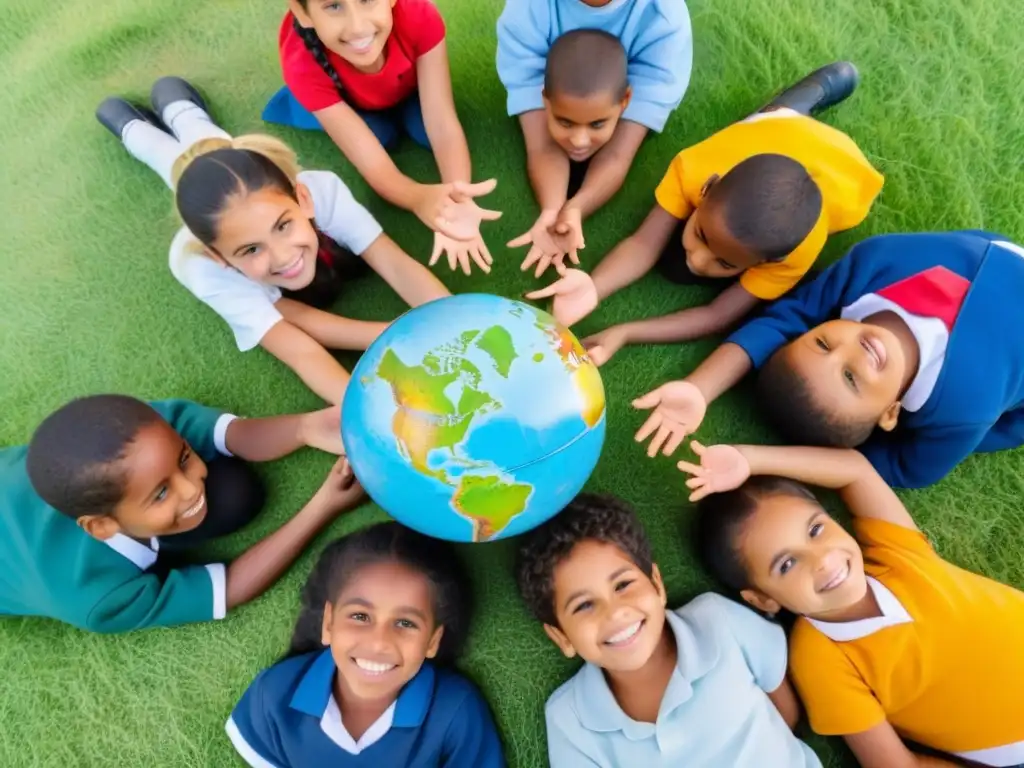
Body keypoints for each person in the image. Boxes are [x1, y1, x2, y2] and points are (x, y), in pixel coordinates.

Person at [96, 76, 451, 404]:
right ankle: (133, 128)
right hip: (209, 215)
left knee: (207, 143)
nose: (282, 257)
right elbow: (298, 345)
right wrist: (391, 352)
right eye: (250, 249)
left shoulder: (321, 189)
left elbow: (393, 261)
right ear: (218, 255)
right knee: (169, 161)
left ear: (303, 200)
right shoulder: (202, 268)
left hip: (235, 184)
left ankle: (179, 108)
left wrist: (460, 322)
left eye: (283, 226)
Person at [681, 439, 1024, 767]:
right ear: (764, 599)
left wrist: (749, 459)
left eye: (815, 530)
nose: (822, 560)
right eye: (787, 564)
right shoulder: (821, 658)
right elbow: (893, 764)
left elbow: (856, 471)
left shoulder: (894, 554)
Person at [526, 62, 883, 363]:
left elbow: (717, 315)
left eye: (725, 264)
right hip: (776, 131)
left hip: (840, 171)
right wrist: (594, 286)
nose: (696, 260)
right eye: (699, 234)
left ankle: (820, 91)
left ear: (771, 261)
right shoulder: (697, 166)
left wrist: (626, 332)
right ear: (708, 189)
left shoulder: (796, 253)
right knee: (776, 115)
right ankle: (814, 89)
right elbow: (642, 244)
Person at [633, 230, 1024, 489]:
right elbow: (906, 469)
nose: (849, 350)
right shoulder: (963, 409)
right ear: (891, 414)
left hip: (995, 251)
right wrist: (752, 459)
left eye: (822, 344)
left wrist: (700, 388)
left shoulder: (870, 266)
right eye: (850, 379)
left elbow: (783, 319)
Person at [1, 394, 360, 633]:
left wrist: (305, 428)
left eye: (185, 458)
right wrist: (323, 507)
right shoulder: (95, 599)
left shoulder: (136, 436)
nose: (192, 487)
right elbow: (229, 589)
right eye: (161, 493)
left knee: (236, 493)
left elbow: (229, 433)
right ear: (102, 526)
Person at [515, 493, 820, 767]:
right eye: (583, 605)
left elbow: (783, 705)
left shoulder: (717, 620)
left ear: (656, 584)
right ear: (562, 637)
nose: (615, 612)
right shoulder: (569, 719)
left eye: (623, 585)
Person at [226, 522, 505, 767]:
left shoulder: (455, 710)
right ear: (329, 623)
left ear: (433, 642)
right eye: (360, 616)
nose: (379, 642)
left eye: (405, 623)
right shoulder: (274, 695)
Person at [265, 0, 501, 273]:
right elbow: (375, 167)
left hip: (403, 84)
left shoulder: (417, 13)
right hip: (343, 101)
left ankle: (392, 102)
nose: (357, 26)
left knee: (424, 131)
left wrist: (458, 199)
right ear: (302, 12)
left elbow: (443, 124)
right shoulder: (302, 64)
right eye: (333, 6)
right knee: (382, 136)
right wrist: (419, 199)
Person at [497, 0, 693, 274]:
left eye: (596, 125)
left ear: (626, 99)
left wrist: (577, 207)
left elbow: (617, 154)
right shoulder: (526, 10)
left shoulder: (664, 18)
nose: (579, 142)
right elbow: (541, 145)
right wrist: (552, 211)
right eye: (567, 124)